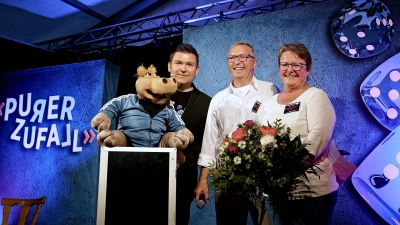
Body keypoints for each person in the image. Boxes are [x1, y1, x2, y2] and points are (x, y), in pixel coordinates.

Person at [255, 42, 338, 225]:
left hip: (311, 192)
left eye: (297, 64)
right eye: (285, 64)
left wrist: (286, 176)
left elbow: (317, 138)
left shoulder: (316, 96)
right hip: (275, 193)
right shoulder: (268, 104)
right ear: (279, 68)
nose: (290, 69)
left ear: (308, 69)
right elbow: (256, 139)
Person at [195, 41, 277, 225]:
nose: (237, 61)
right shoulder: (218, 99)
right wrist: (202, 181)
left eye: (243, 57)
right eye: (232, 58)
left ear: (254, 62)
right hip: (227, 177)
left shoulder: (269, 90)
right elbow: (210, 142)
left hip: (261, 177)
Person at [167, 43, 212, 225]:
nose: (183, 69)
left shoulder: (207, 103)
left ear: (197, 70)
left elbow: (207, 145)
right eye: (178, 63)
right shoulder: (150, 97)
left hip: (184, 181)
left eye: (189, 65)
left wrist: (187, 160)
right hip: (148, 177)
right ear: (169, 66)